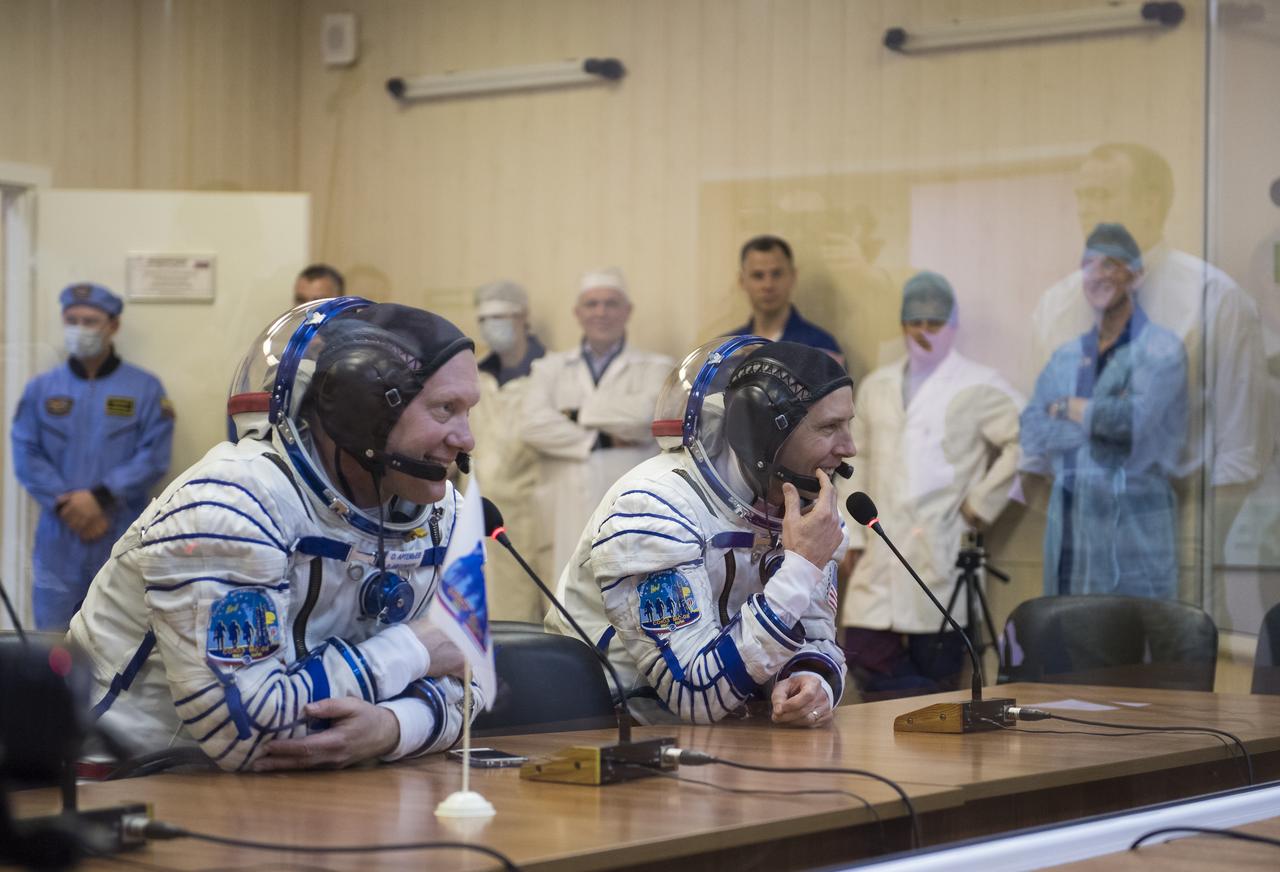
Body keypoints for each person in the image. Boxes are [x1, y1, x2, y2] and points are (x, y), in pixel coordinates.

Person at [68, 298, 482, 771]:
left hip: (311, 792)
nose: (465, 439)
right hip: (134, 782)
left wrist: (392, 728)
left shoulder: (441, 513)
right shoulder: (228, 507)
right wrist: (415, 650)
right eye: (445, 409)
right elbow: (247, 733)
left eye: (468, 410)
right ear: (362, 412)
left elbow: (475, 677)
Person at [547, 338, 853, 726]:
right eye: (829, 427)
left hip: (726, 735)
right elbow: (695, 694)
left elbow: (819, 639)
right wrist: (800, 568)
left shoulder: (809, 509)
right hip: (613, 731)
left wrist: (811, 680)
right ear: (765, 431)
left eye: (848, 424)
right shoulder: (654, 508)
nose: (850, 447)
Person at [1030, 143, 1266, 561]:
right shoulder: (1057, 306)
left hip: (1174, 537)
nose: (1085, 209)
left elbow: (1239, 454)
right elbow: (1038, 434)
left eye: (1101, 195)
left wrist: (1193, 549)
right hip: (1078, 538)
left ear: (1150, 202)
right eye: (1081, 196)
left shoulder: (1212, 299)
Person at [838, 272, 1023, 696]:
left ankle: (926, 723)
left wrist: (981, 503)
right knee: (864, 655)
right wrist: (853, 538)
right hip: (879, 550)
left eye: (934, 323)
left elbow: (1026, 441)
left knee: (941, 673)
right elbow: (855, 458)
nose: (923, 332)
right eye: (914, 322)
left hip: (938, 549)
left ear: (952, 328)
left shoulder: (979, 385)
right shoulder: (877, 385)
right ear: (902, 325)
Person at [1021, 224, 1188, 598]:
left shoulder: (1161, 348)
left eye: (1111, 264)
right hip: (1069, 523)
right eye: (1090, 265)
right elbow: (1032, 429)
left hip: (1136, 527)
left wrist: (1063, 407)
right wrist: (1094, 418)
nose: (1098, 275)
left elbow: (1132, 424)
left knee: (1134, 642)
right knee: (1068, 639)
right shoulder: (1066, 356)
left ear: (1137, 275)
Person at [11, 283, 174, 630]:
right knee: (54, 648)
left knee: (120, 644)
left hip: (120, 533)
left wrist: (98, 499)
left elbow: (154, 456)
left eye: (90, 321)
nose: (79, 329)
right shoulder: (41, 390)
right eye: (72, 320)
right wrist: (68, 507)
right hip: (59, 540)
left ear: (112, 326)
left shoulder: (146, 389)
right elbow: (26, 453)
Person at [521, 268, 673, 581]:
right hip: (565, 513)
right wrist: (599, 441)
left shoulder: (656, 367)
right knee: (566, 609)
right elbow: (532, 424)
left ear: (627, 311)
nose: (601, 312)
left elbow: (645, 415)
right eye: (592, 304)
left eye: (611, 303)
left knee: (628, 601)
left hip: (631, 510)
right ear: (578, 313)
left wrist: (573, 414)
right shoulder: (549, 368)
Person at [467, 279, 550, 622]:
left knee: (525, 618)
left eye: (501, 316)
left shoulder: (548, 373)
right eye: (485, 319)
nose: (492, 327)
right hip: (476, 512)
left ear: (523, 317)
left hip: (531, 520)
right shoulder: (474, 377)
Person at [729, 235, 844, 364]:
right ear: (741, 281)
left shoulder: (821, 347)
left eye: (777, 274)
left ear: (793, 276)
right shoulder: (728, 351)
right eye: (758, 275)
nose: (768, 285)